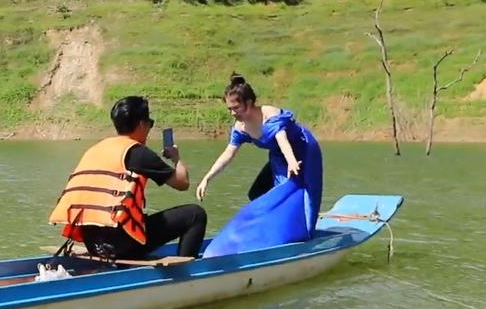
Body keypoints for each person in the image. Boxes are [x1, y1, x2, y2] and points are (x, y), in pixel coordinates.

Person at [49, 96, 207, 259]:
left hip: (93, 243)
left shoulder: (95, 149)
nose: (149, 128)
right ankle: (186, 274)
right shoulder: (138, 153)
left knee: (138, 220)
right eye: (149, 123)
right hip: (121, 245)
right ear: (141, 124)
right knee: (195, 214)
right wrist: (177, 158)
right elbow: (182, 183)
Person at [196, 73, 323, 237]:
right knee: (256, 193)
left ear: (248, 103)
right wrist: (207, 178)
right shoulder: (241, 127)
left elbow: (282, 139)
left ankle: (304, 233)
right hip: (280, 155)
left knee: (300, 193)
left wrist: (292, 162)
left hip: (303, 149)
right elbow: (228, 153)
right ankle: (274, 227)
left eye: (236, 108)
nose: (233, 113)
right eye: (230, 109)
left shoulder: (269, 114)